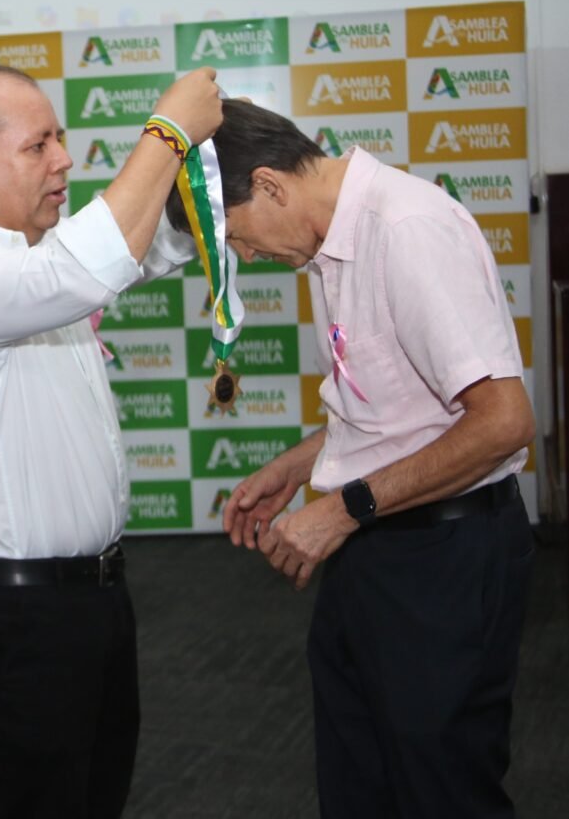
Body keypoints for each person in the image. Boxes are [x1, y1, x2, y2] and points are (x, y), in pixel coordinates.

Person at [166, 99, 536, 819]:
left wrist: (342, 508)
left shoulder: (404, 229)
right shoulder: (331, 243)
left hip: (443, 559)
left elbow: (502, 422)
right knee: (360, 782)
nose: (246, 257)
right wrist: (301, 464)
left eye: (236, 236)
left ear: (269, 184)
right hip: (377, 549)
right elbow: (398, 415)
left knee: (440, 791)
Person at [0, 62, 222, 819]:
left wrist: (212, 178)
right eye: (37, 145)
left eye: (60, 139)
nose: (64, 160)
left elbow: (137, 248)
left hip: (91, 600)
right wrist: (168, 131)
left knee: (95, 799)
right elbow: (85, 270)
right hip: (16, 618)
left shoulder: (28, 256)